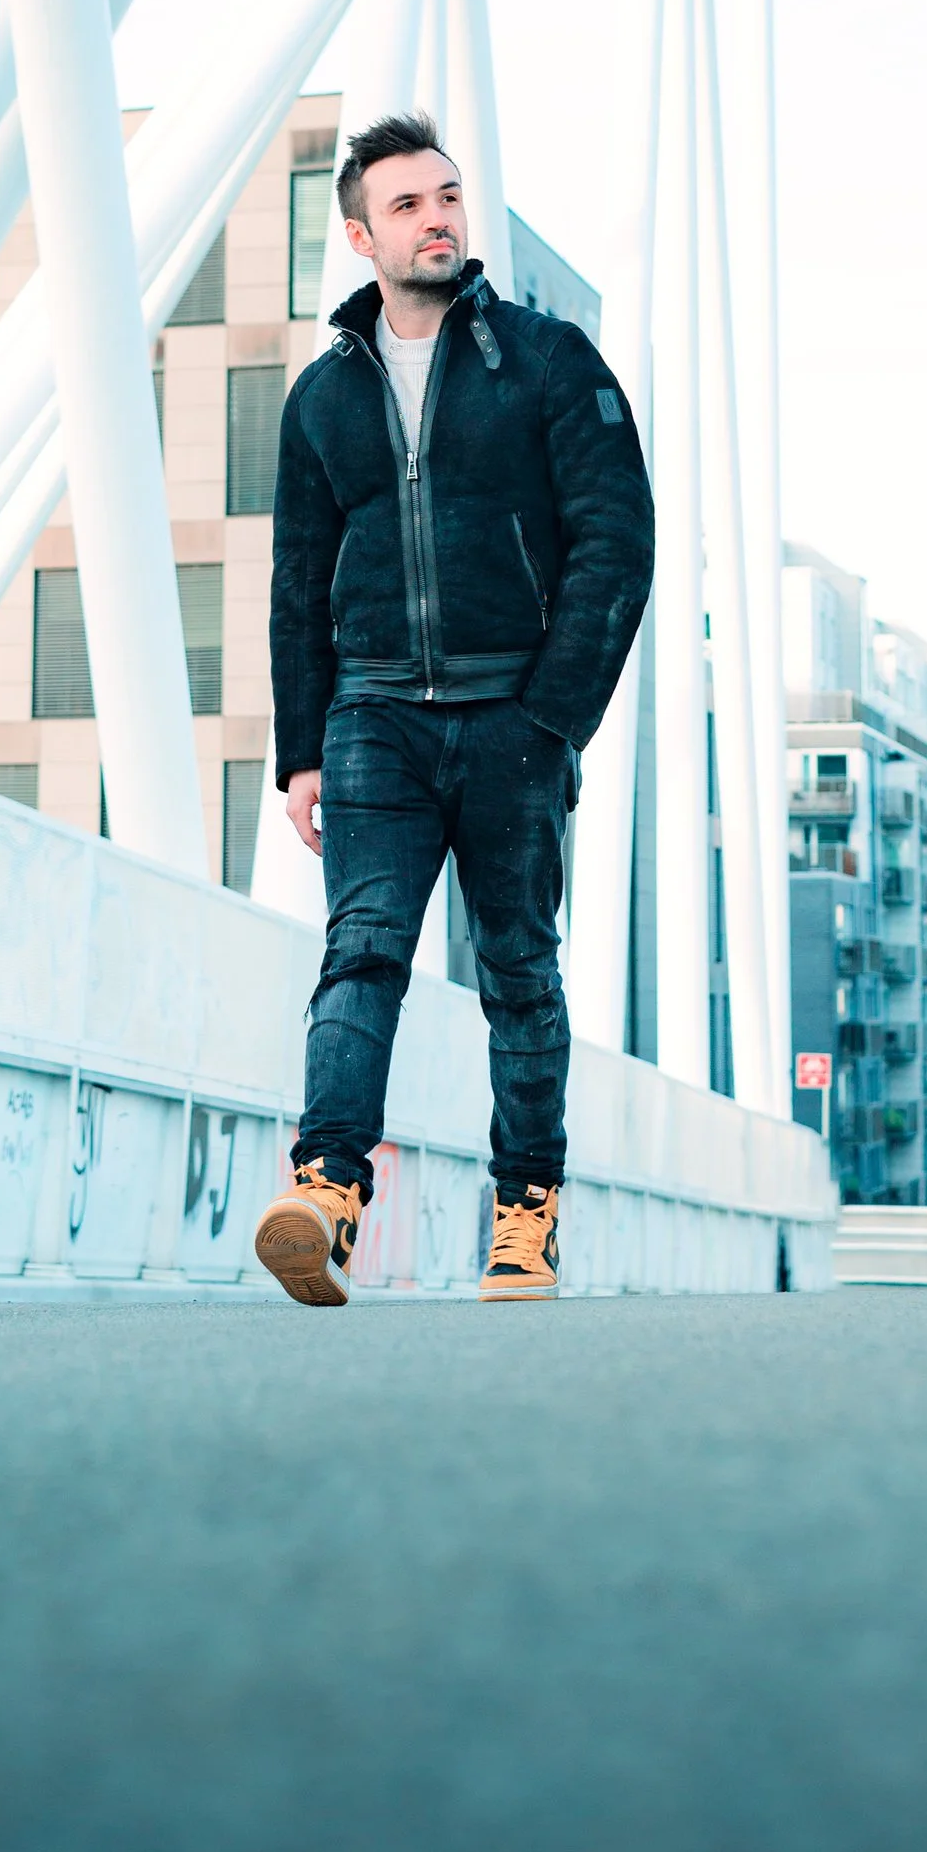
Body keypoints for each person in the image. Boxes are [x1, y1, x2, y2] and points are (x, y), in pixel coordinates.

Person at [252, 112, 654, 1306]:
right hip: (373, 718)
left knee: (520, 970)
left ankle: (525, 1213)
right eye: (410, 205)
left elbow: (614, 544)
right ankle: (326, 1189)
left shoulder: (546, 360)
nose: (438, 218)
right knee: (359, 949)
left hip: (509, 718)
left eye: (448, 197)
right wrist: (299, 752)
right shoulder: (323, 395)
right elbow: (294, 582)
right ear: (362, 234)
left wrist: (552, 718)